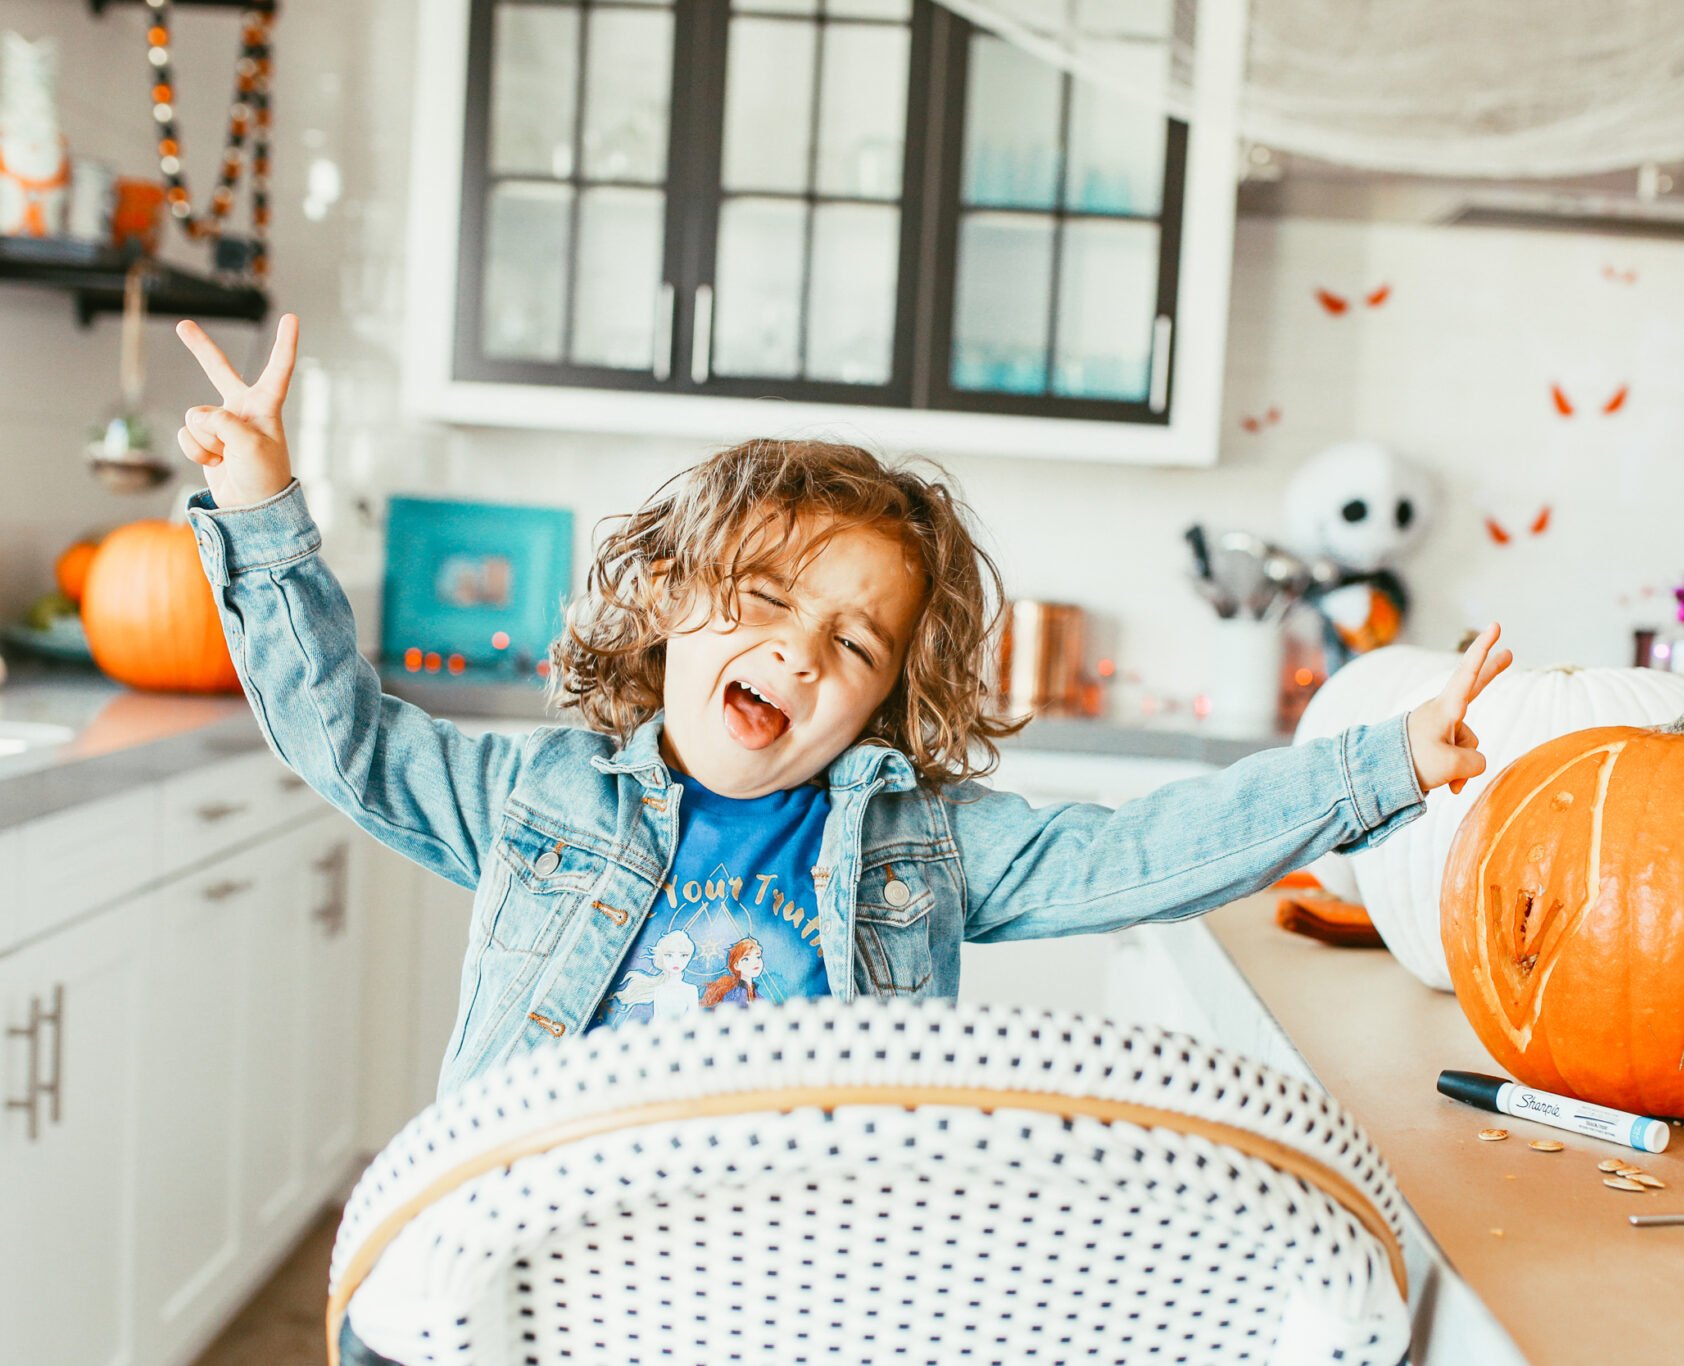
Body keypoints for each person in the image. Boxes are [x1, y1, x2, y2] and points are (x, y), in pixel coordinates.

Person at [174, 314, 1510, 1362]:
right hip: (539, 1268)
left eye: (852, 642)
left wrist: (1380, 761)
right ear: (669, 599)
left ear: (890, 693)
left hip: (806, 1288)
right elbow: (339, 733)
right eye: (762, 596)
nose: (796, 650)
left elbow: (1138, 849)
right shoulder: (538, 798)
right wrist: (261, 514)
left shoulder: (922, 845)